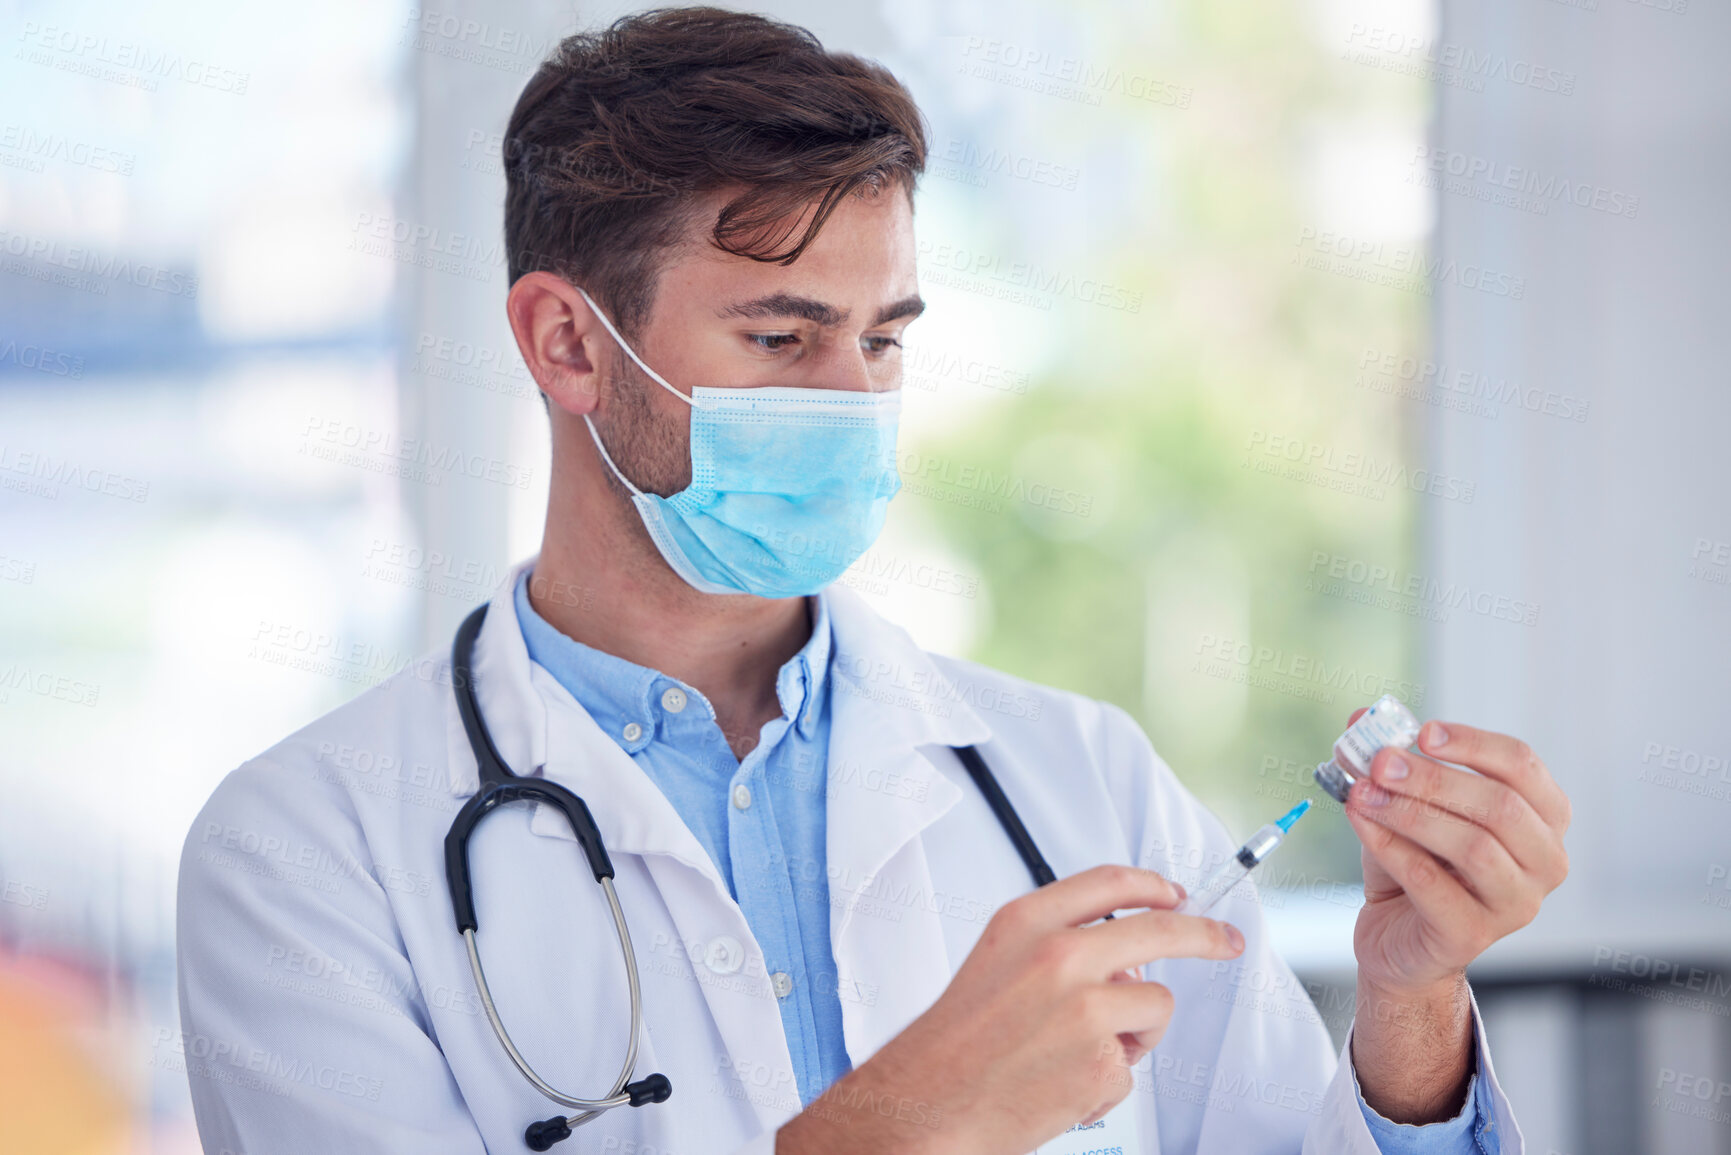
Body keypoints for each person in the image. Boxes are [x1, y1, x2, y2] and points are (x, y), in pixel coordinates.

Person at [176, 8, 1570, 1153]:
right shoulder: (307, 855)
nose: (853, 400)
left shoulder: (1080, 782)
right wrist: (898, 1130)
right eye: (784, 338)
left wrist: (1409, 1014)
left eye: (882, 339)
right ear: (566, 345)